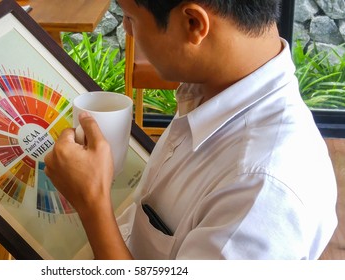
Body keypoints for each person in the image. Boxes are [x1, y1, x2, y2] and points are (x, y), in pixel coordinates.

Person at [44, 0, 338, 259]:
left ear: (193, 23)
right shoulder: (214, 88)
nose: (127, 30)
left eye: (131, 18)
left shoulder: (260, 194)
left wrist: (92, 203)